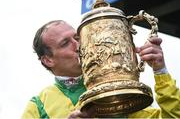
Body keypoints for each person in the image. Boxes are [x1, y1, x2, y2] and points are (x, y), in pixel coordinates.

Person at [22, 20, 180, 119]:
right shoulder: (38, 105)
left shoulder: (117, 87)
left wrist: (161, 71)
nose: (78, 45)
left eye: (77, 38)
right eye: (65, 43)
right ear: (48, 60)